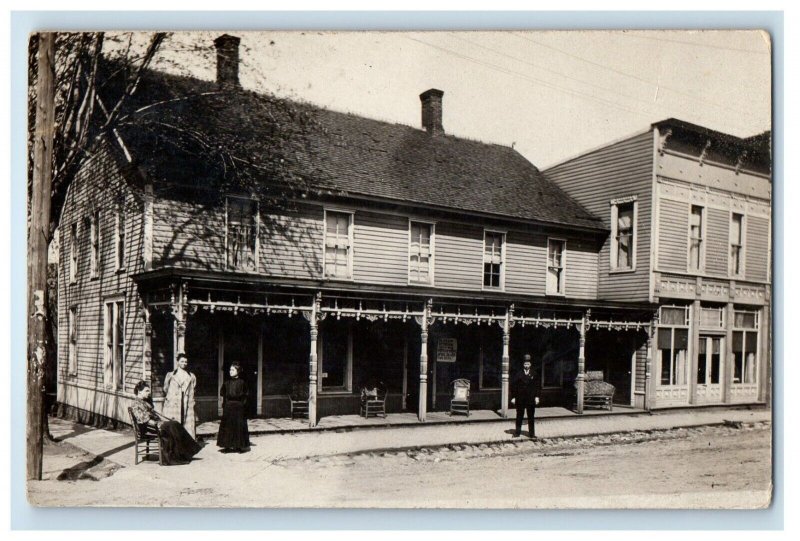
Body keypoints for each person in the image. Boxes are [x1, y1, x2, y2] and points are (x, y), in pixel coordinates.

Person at [130, 380, 201, 465]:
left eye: (149, 391)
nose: (149, 393)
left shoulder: (145, 401)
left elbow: (153, 414)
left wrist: (163, 421)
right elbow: (144, 420)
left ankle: (185, 452)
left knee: (175, 423)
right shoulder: (136, 403)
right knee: (172, 426)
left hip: (154, 424)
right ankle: (176, 456)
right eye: (146, 391)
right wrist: (159, 424)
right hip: (147, 428)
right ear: (139, 391)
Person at [163, 352, 198, 439]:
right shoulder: (171, 375)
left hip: (186, 403)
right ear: (178, 362)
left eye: (185, 362)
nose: (184, 363)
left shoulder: (191, 376)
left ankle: (186, 445)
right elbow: (165, 388)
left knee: (186, 424)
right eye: (182, 361)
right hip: (173, 404)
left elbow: (193, 389)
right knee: (174, 423)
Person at [217, 362, 250, 453]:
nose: (230, 371)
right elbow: (222, 393)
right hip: (228, 406)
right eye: (230, 370)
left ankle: (238, 446)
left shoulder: (242, 383)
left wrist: (242, 405)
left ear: (238, 371)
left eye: (233, 370)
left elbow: (246, 395)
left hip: (239, 407)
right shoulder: (226, 383)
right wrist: (225, 404)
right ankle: (226, 446)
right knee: (227, 426)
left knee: (238, 426)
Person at [510, 354, 541, 438]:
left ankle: (532, 434)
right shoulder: (518, 374)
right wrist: (513, 397)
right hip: (520, 398)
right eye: (525, 364)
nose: (526, 366)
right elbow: (513, 386)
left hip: (531, 398)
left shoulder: (534, 373)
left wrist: (537, 397)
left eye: (528, 364)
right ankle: (517, 433)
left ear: (530, 364)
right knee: (519, 416)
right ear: (523, 365)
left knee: (531, 417)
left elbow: (537, 386)